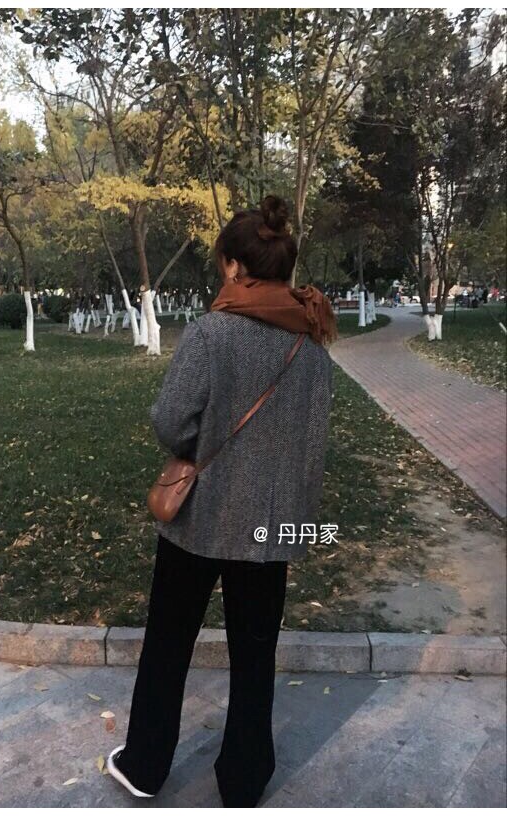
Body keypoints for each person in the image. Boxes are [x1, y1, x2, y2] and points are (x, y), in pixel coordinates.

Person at [107, 195, 337, 807]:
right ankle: (244, 779)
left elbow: (170, 421)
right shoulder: (313, 344)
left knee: (168, 644)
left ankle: (145, 766)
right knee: (256, 657)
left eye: (222, 266)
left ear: (235, 267)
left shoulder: (213, 332)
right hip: (271, 528)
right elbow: (312, 446)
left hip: (201, 518)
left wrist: (199, 449)